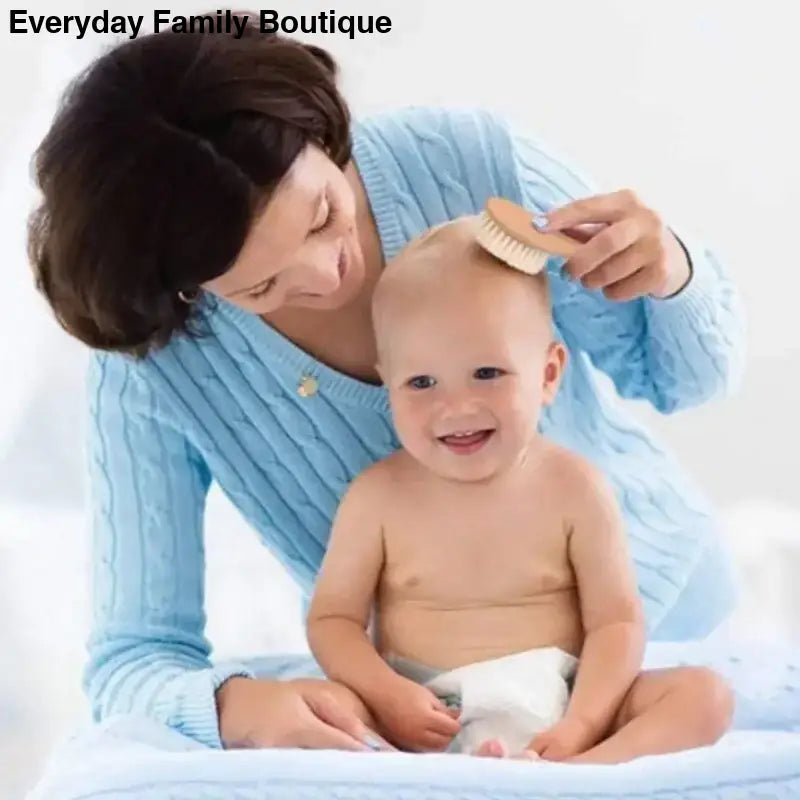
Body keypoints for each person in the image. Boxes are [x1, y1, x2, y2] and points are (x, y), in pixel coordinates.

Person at [26, 20, 745, 753]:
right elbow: (131, 658)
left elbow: (685, 379)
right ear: (186, 289)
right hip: (439, 711)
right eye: (261, 286)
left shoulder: (466, 165)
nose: (325, 275)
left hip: (669, 630)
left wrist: (672, 273)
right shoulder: (155, 364)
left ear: (322, 132)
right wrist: (233, 707)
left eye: (324, 215)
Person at [307, 218, 734, 762]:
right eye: (421, 383)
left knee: (704, 696)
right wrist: (388, 696)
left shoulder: (574, 487)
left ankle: (581, 771)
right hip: (423, 713)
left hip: (559, 704)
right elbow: (333, 621)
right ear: (387, 382)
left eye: (487, 372)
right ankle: (421, 770)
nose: (455, 407)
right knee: (314, 705)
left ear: (548, 372)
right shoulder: (376, 498)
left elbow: (616, 622)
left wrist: (583, 722)